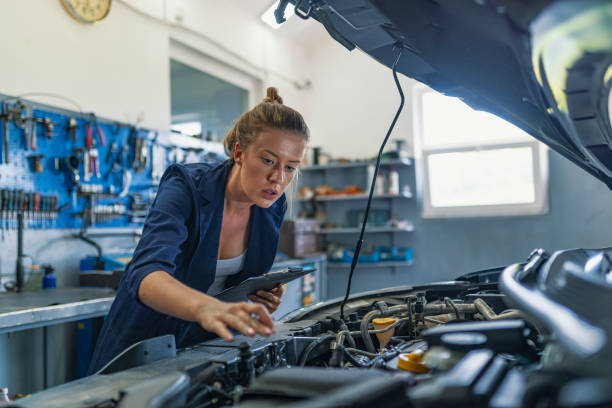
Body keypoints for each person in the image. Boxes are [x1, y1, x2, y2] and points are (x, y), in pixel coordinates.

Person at [88, 87, 309, 374]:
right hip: (144, 346)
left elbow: (236, 284)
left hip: (209, 350)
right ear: (240, 153)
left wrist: (257, 294)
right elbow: (146, 274)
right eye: (268, 160)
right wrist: (207, 308)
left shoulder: (271, 205)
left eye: (290, 168)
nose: (278, 179)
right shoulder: (186, 186)